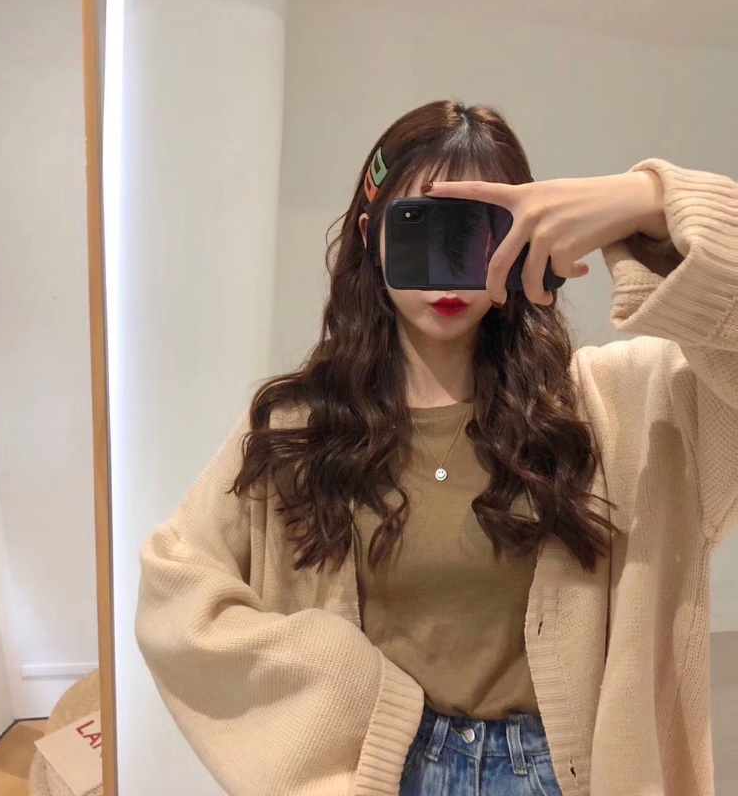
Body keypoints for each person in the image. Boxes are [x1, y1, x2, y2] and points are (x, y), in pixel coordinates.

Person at [134, 101, 738, 796]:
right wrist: (337, 689)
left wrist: (646, 200)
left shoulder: (617, 408)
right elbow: (175, 589)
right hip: (383, 775)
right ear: (373, 236)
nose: (449, 271)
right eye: (422, 225)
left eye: (477, 230)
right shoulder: (303, 428)